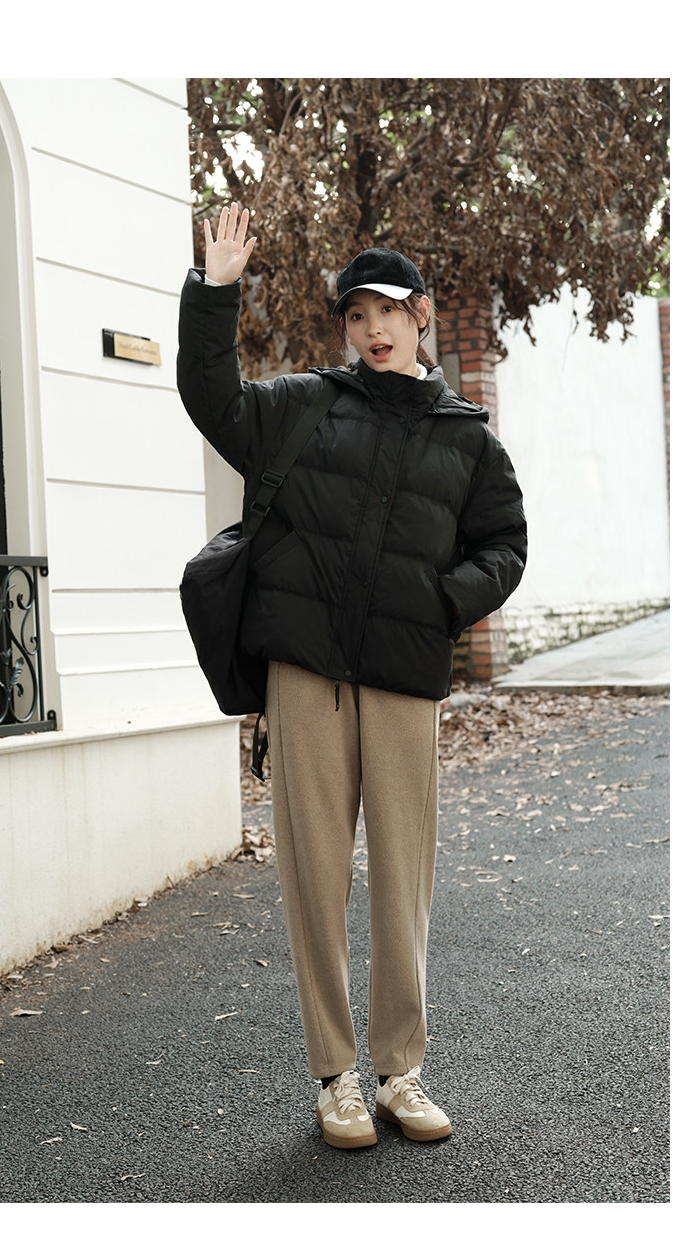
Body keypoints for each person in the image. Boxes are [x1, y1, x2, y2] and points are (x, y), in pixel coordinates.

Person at [177, 203, 527, 1150]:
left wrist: (442, 599)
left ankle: (400, 1070)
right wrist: (215, 292)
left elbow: (506, 544)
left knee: (403, 878)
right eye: (357, 315)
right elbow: (212, 398)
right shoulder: (303, 406)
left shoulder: (469, 440)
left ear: (421, 317)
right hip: (306, 677)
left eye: (388, 312)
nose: (373, 329)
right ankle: (335, 1077)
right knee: (314, 875)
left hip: (404, 679)